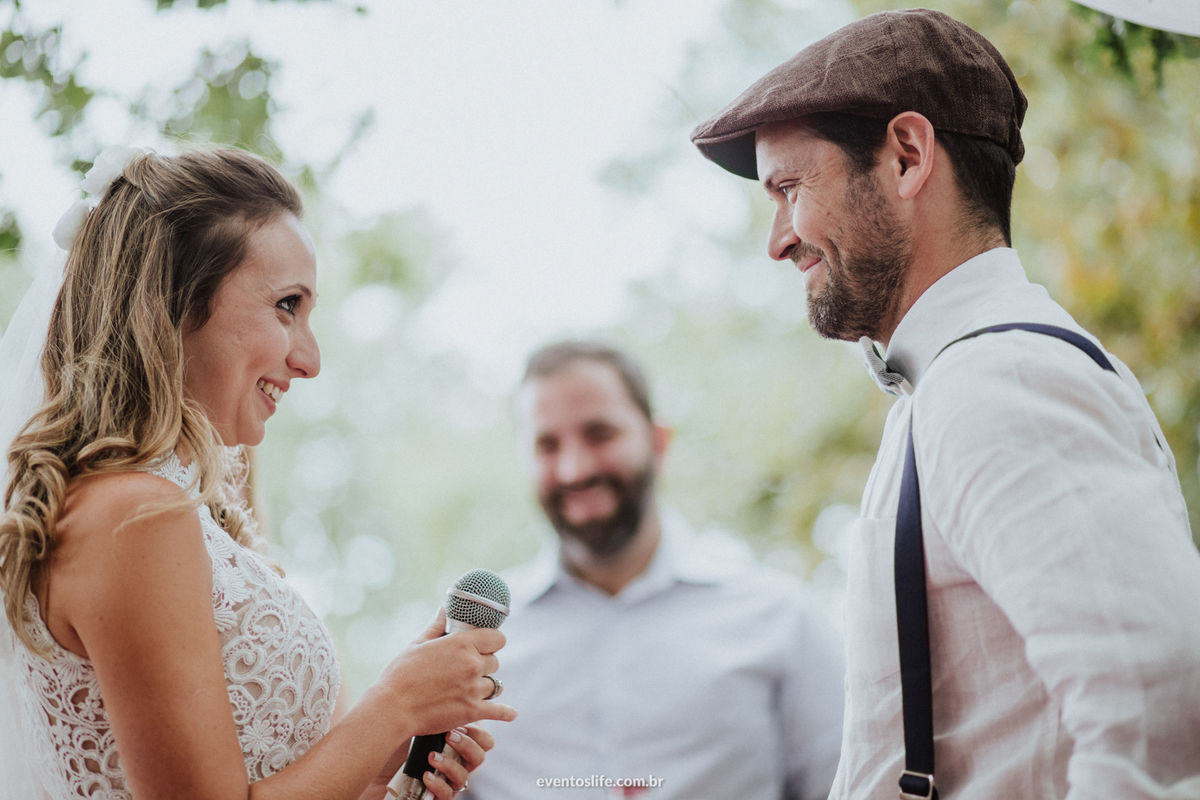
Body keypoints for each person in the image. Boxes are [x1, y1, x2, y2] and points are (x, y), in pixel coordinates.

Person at [690, 8, 1200, 800]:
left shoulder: (1004, 385)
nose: (778, 239)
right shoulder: (951, 386)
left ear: (906, 157)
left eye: (790, 188)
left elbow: (1159, 714)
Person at [0, 146, 516, 800]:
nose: (310, 359)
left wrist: (384, 765)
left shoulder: (168, 516)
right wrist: (397, 705)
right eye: (286, 306)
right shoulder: (131, 512)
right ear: (173, 301)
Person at [468, 341, 844, 800]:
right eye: (547, 445)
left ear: (658, 442)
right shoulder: (474, 642)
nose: (574, 468)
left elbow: (847, 788)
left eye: (599, 434)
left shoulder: (781, 618)